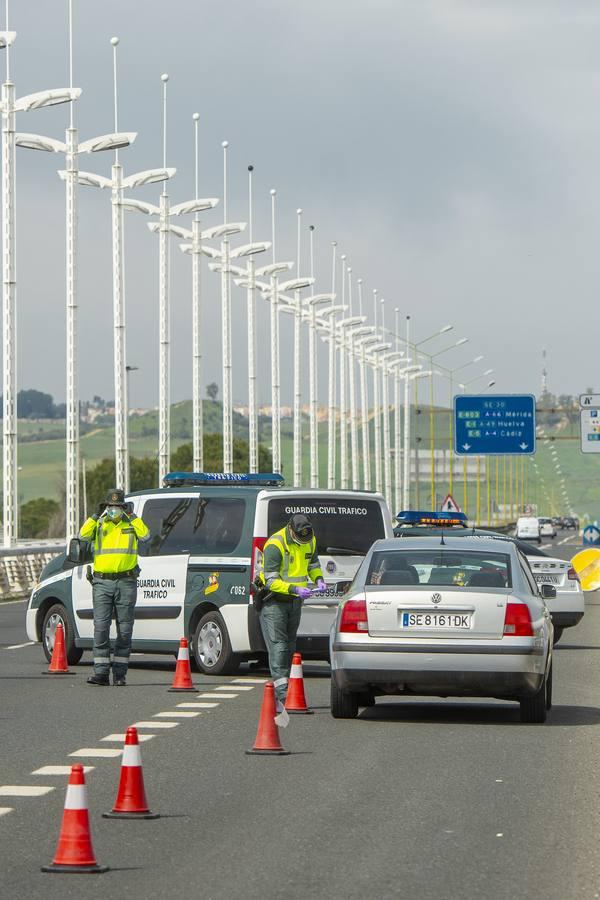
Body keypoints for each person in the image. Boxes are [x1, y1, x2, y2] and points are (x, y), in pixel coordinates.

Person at [79, 488, 149, 686]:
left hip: (126, 581)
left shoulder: (132, 523)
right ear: (106, 507)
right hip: (102, 582)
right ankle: (101, 673)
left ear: (123, 507)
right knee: (100, 628)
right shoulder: (100, 524)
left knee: (125, 630)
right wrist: (95, 515)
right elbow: (83, 535)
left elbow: (145, 536)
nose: (113, 510)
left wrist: (132, 515)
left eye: (117, 506)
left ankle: (120, 674)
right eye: (110, 506)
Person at [259, 513, 325, 705]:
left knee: (290, 645)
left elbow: (313, 563)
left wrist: (318, 578)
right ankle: (282, 694)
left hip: (295, 601)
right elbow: (270, 581)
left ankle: (287, 689)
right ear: (291, 530)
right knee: (279, 646)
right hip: (275, 602)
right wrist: (294, 588)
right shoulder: (275, 545)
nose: (303, 540)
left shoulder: (309, 539)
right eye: (299, 537)